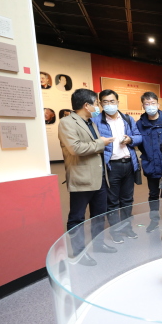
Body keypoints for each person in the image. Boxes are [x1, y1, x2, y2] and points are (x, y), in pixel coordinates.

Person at [58, 88, 117, 266]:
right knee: (77, 218)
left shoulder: (91, 122)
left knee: (99, 215)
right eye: (96, 103)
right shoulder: (67, 123)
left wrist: (100, 143)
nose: (98, 107)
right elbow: (75, 148)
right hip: (81, 178)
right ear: (86, 105)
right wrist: (101, 142)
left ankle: (98, 244)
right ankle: (79, 253)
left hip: (99, 177)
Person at [93, 89, 143, 244]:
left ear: (117, 102)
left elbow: (139, 137)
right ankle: (115, 231)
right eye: (105, 102)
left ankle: (127, 228)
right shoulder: (96, 121)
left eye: (112, 101)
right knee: (113, 201)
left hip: (128, 164)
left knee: (127, 199)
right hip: (111, 166)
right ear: (100, 103)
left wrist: (130, 139)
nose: (109, 104)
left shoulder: (127, 119)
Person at [136, 91, 162, 233]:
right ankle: (154, 221)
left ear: (158, 104)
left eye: (153, 103)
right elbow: (140, 144)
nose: (150, 106)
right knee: (153, 194)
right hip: (150, 164)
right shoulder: (139, 124)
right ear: (143, 106)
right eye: (147, 104)